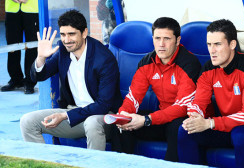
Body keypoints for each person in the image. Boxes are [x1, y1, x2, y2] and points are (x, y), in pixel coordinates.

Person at [177, 19, 244, 168]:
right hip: (230, 125)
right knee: (186, 130)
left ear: (232, 44)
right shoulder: (208, 69)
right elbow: (199, 101)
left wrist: (209, 123)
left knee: (240, 134)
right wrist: (195, 117)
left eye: (217, 44)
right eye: (209, 44)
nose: (212, 50)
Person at [111, 17, 211, 162]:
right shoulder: (146, 62)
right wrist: (123, 114)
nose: (161, 44)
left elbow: (182, 107)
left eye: (167, 39)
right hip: (161, 119)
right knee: (121, 125)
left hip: (188, 119)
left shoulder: (189, 63)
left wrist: (147, 120)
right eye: (157, 38)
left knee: (177, 126)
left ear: (177, 41)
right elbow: (134, 97)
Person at [20, 10, 121, 150]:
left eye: (72, 34)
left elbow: (103, 105)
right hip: (74, 113)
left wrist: (65, 115)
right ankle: (45, 164)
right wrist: (41, 57)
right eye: (63, 34)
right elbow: (39, 76)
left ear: (84, 33)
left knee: (91, 123)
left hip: (103, 117)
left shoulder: (104, 59)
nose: (66, 40)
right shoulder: (64, 50)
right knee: (28, 121)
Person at [2, 0, 39, 94]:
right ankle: (15, 79)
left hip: (32, 9)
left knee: (32, 46)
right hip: (12, 9)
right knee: (12, 46)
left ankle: (30, 81)